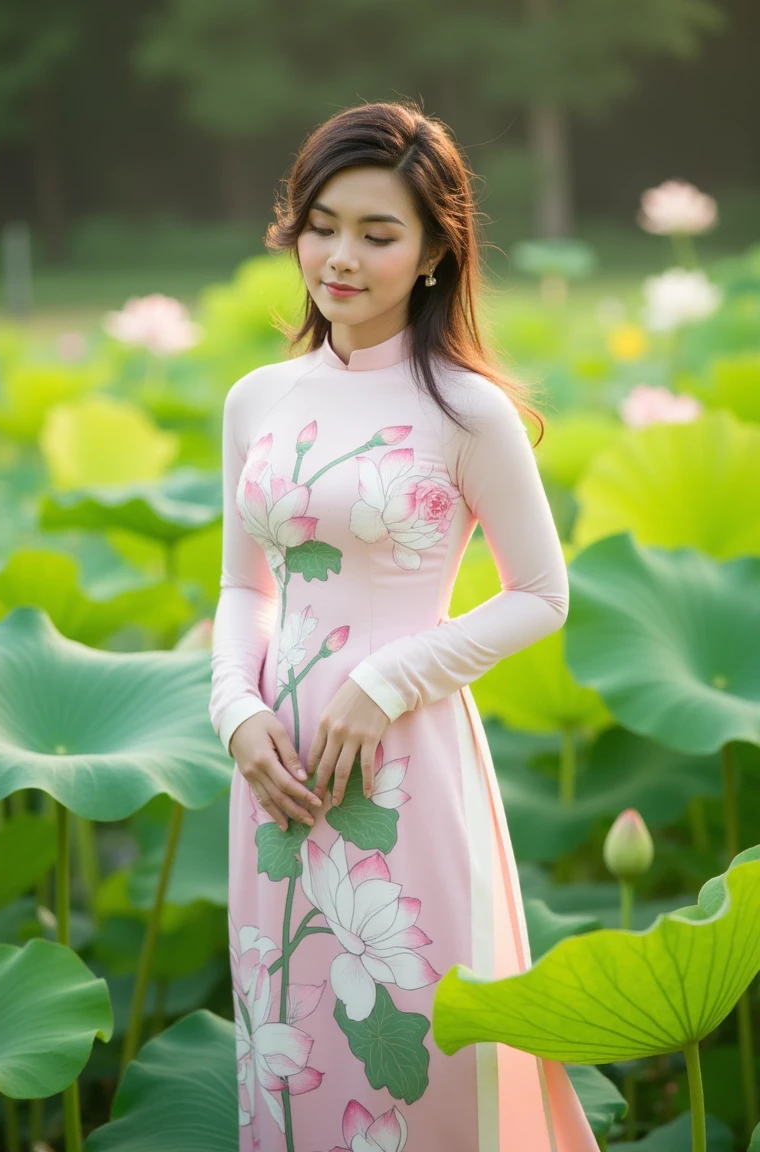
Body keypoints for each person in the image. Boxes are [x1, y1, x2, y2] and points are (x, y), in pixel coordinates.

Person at [209, 98, 600, 1152]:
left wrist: (387, 680)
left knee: (419, 1042)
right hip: (274, 776)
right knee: (290, 1043)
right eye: (322, 223)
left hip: (405, 764)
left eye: (378, 234)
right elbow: (245, 589)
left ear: (434, 253)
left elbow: (540, 594)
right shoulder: (257, 398)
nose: (339, 256)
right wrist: (233, 708)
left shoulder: (469, 412)